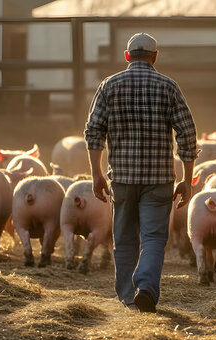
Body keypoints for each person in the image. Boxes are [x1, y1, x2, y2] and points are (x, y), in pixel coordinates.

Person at [84, 32, 197, 313]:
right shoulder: (168, 86)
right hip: (158, 178)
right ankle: (145, 287)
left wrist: (96, 173)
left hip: (121, 177)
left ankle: (127, 298)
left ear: (127, 56)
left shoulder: (109, 85)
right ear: (155, 57)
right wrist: (186, 177)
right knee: (154, 238)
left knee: (123, 238)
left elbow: (93, 130)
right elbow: (188, 134)